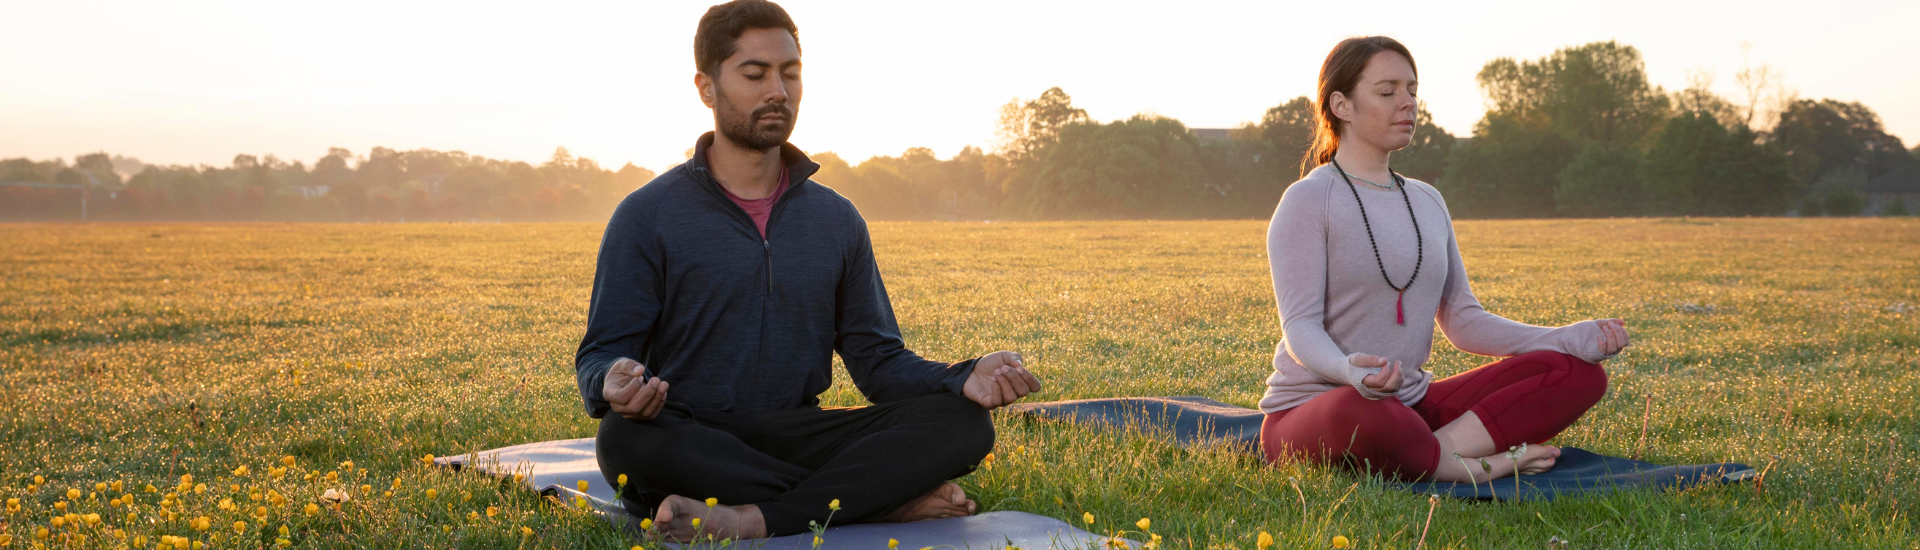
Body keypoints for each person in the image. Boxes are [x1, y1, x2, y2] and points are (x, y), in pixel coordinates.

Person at [574, 0, 1043, 540]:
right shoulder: (647, 214)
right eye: (755, 74)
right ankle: (869, 500)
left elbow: (879, 362)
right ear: (706, 87)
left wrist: (962, 376)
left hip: (799, 429)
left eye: (790, 73)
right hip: (691, 433)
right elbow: (602, 350)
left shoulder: (835, 219)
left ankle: (753, 518)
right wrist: (611, 381)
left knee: (962, 423)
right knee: (624, 442)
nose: (778, 90)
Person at [1259, 36, 1630, 483]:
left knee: (1575, 374)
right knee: (1365, 409)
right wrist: (1348, 372)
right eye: (1387, 91)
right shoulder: (1308, 200)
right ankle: (1479, 466)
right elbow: (1300, 328)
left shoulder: (1427, 200)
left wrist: (1564, 337)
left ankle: (1436, 455)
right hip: (1321, 411)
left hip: (1409, 408)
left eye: (1412, 90)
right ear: (1342, 105)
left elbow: (1464, 321)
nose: (1407, 104)